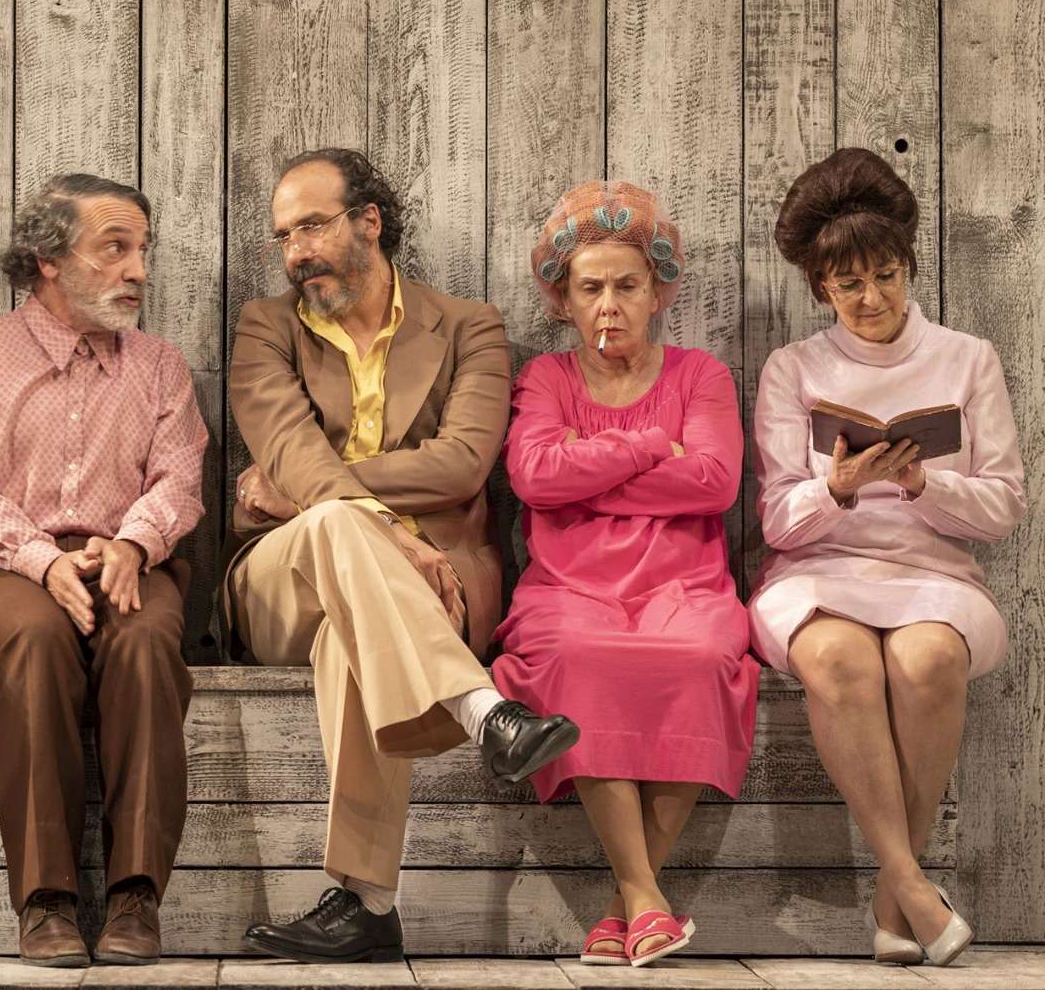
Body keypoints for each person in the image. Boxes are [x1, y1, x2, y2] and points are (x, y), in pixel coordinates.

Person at [225, 148, 579, 964]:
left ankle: (366, 905)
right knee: (337, 529)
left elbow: (462, 462)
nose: (295, 252)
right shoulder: (265, 327)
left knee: (350, 626)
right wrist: (378, 525)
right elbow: (287, 445)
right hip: (283, 581)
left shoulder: (468, 326)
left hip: (435, 583)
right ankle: (484, 713)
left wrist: (302, 488)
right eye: (283, 236)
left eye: (311, 225)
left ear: (369, 221)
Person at [0, 174, 208, 968]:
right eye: (115, 248)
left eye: (142, 250)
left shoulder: (158, 365)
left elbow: (179, 479)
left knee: (147, 642)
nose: (138, 270)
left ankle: (135, 896)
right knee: (37, 640)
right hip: (2, 568)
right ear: (47, 259)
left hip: (130, 562)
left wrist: (133, 544)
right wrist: (43, 560)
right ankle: (45, 900)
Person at [750, 147, 1025, 967]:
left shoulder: (967, 358)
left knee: (928, 658)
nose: (872, 300)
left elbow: (1004, 505)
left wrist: (920, 484)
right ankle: (909, 883)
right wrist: (832, 490)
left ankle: (890, 892)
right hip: (814, 577)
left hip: (934, 577)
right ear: (820, 288)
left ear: (908, 267)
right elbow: (774, 520)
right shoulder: (794, 369)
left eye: (887, 277)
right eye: (848, 286)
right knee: (839, 661)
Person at [494, 180, 759, 967]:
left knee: (704, 657)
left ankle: (627, 904)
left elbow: (714, 482)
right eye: (590, 288)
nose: (609, 304)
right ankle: (646, 899)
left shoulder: (700, 376)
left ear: (657, 292)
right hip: (569, 590)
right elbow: (535, 477)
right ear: (564, 301)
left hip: (686, 588)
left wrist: (592, 471)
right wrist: (650, 448)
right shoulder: (547, 379)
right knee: (577, 659)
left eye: (627, 285)